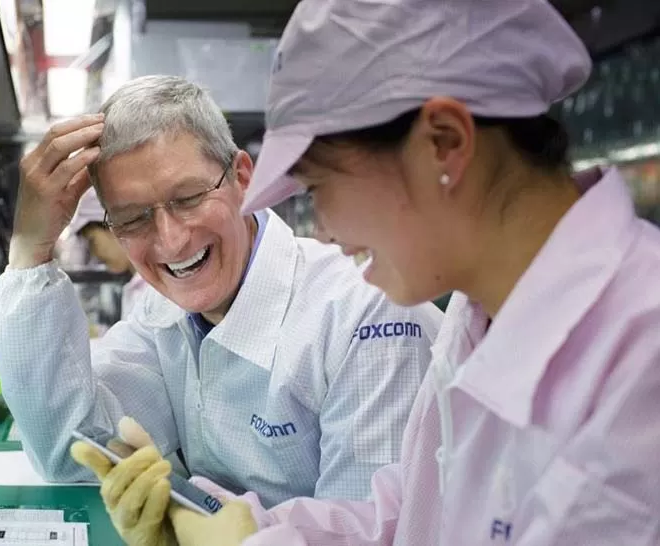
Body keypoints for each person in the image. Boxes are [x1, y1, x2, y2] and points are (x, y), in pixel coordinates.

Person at [93, 0, 660, 545]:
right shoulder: (479, 313)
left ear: (444, 144)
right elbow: (410, 516)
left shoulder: (641, 355)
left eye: (319, 187)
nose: (328, 230)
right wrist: (243, 530)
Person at [0, 74, 443, 537]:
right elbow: (73, 452)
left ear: (242, 179)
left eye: (187, 198)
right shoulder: (161, 313)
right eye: (131, 218)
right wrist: (30, 251)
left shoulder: (368, 315)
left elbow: (378, 531)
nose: (170, 240)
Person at [68, 187, 149, 320]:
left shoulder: (154, 290)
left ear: (114, 226)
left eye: (92, 241)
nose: (94, 253)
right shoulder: (136, 286)